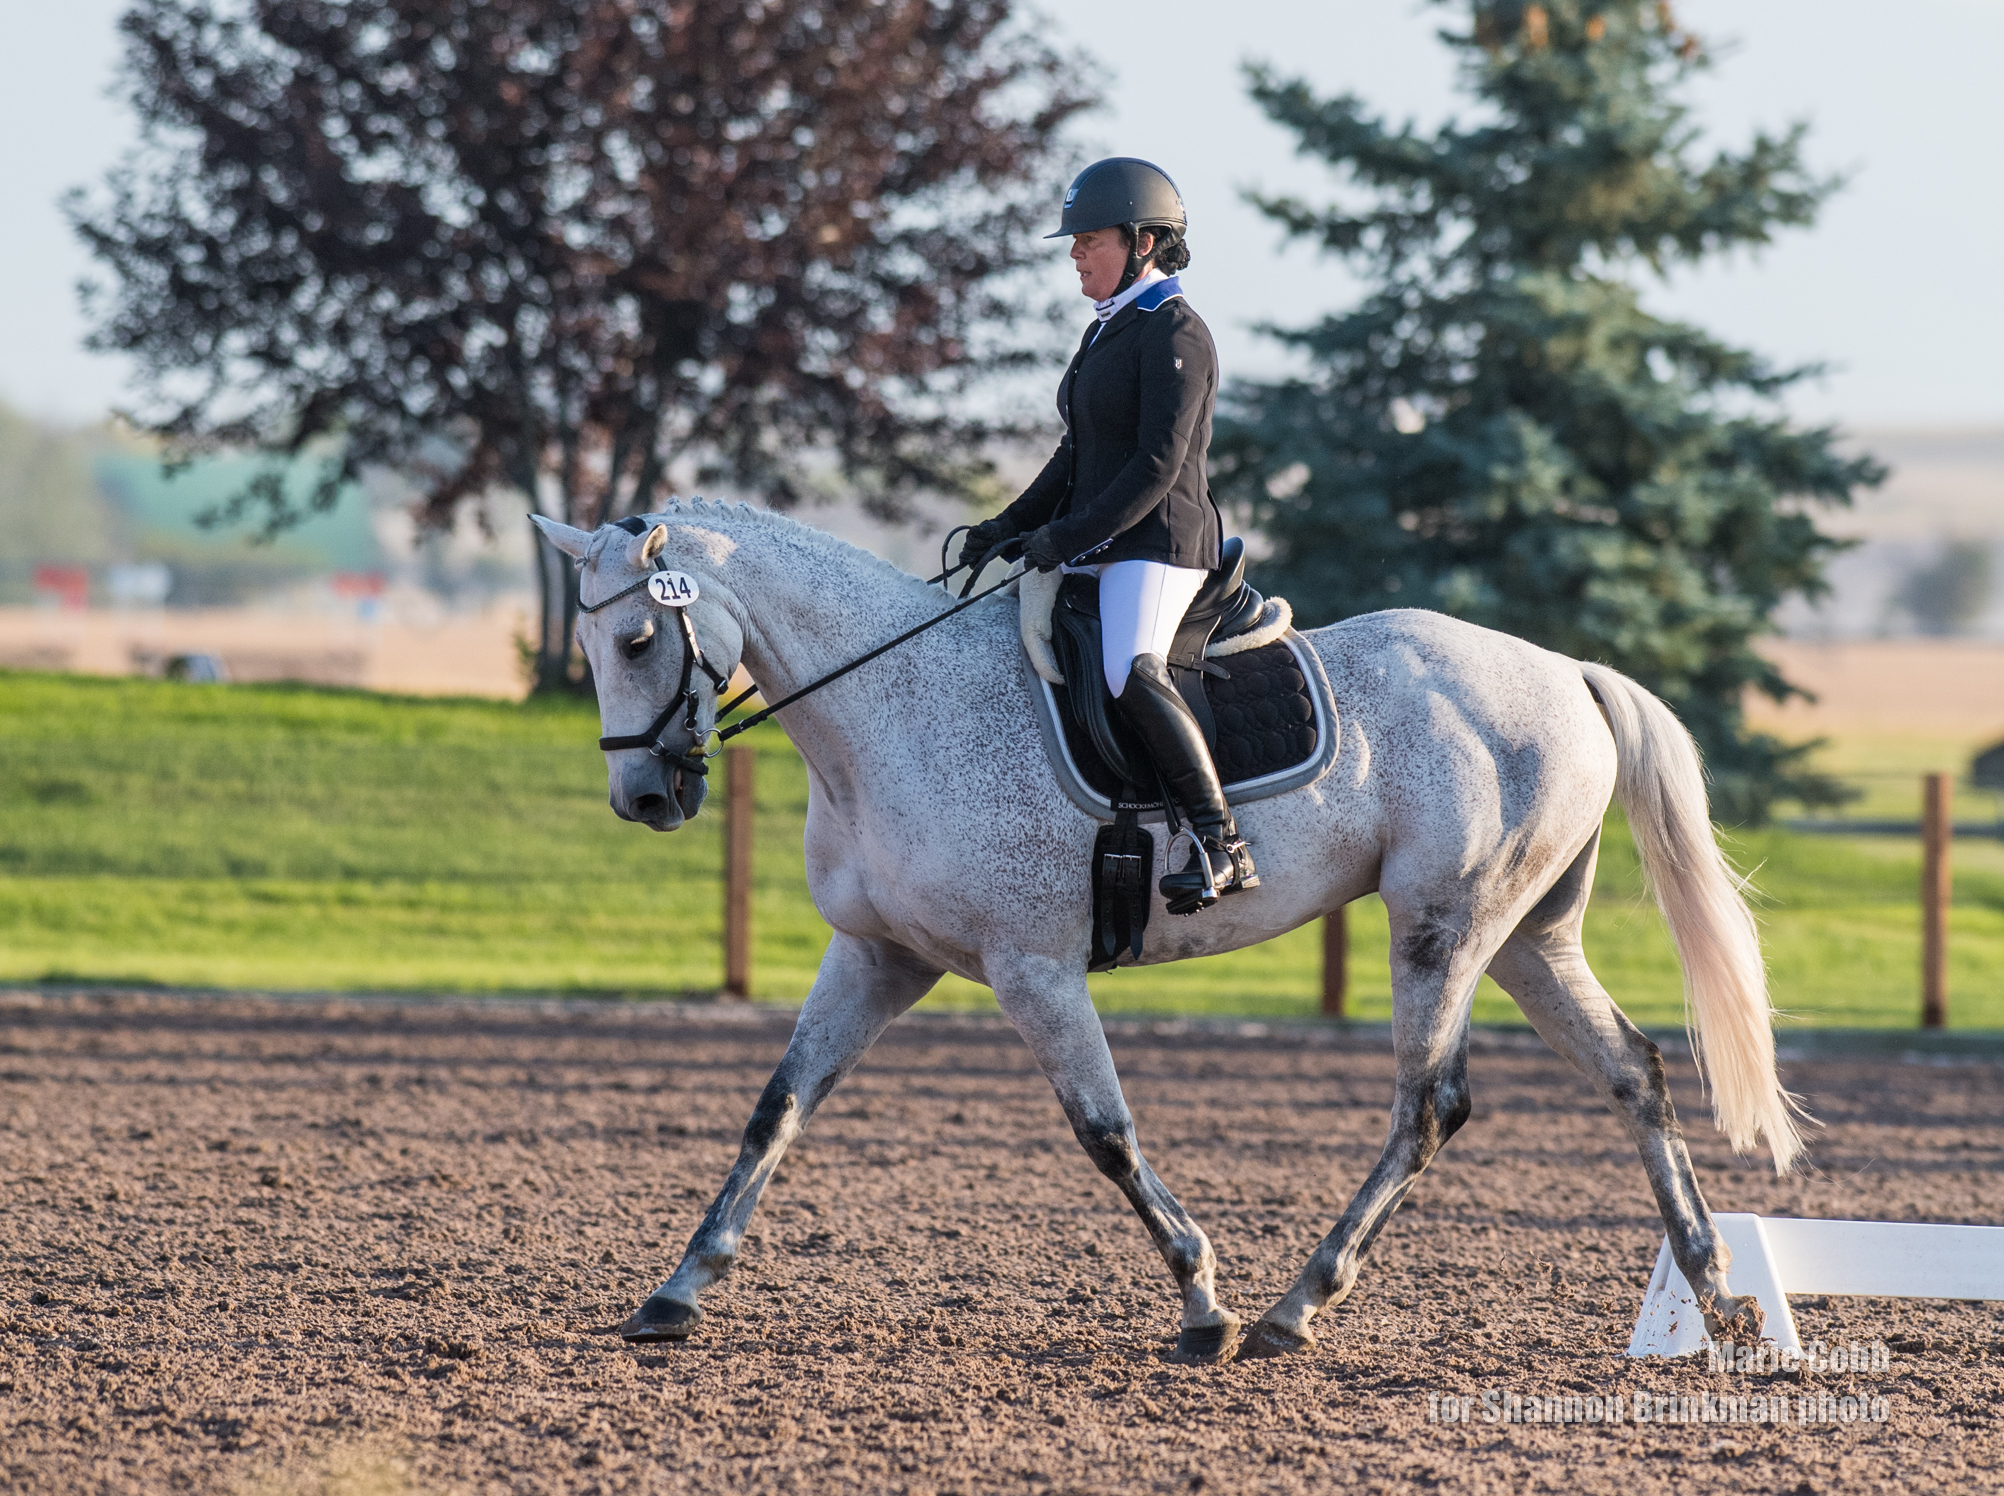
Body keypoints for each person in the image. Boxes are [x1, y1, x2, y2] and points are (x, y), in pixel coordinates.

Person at [959, 157, 1257, 914]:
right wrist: (1010, 525)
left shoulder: (1175, 333)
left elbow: (1156, 467)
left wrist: (1065, 539)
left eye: (1090, 239)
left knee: (1130, 669)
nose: (1075, 253)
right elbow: (1076, 456)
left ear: (1144, 242)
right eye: (1076, 240)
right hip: (1105, 541)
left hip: (1159, 544)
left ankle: (1221, 842)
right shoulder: (1108, 332)